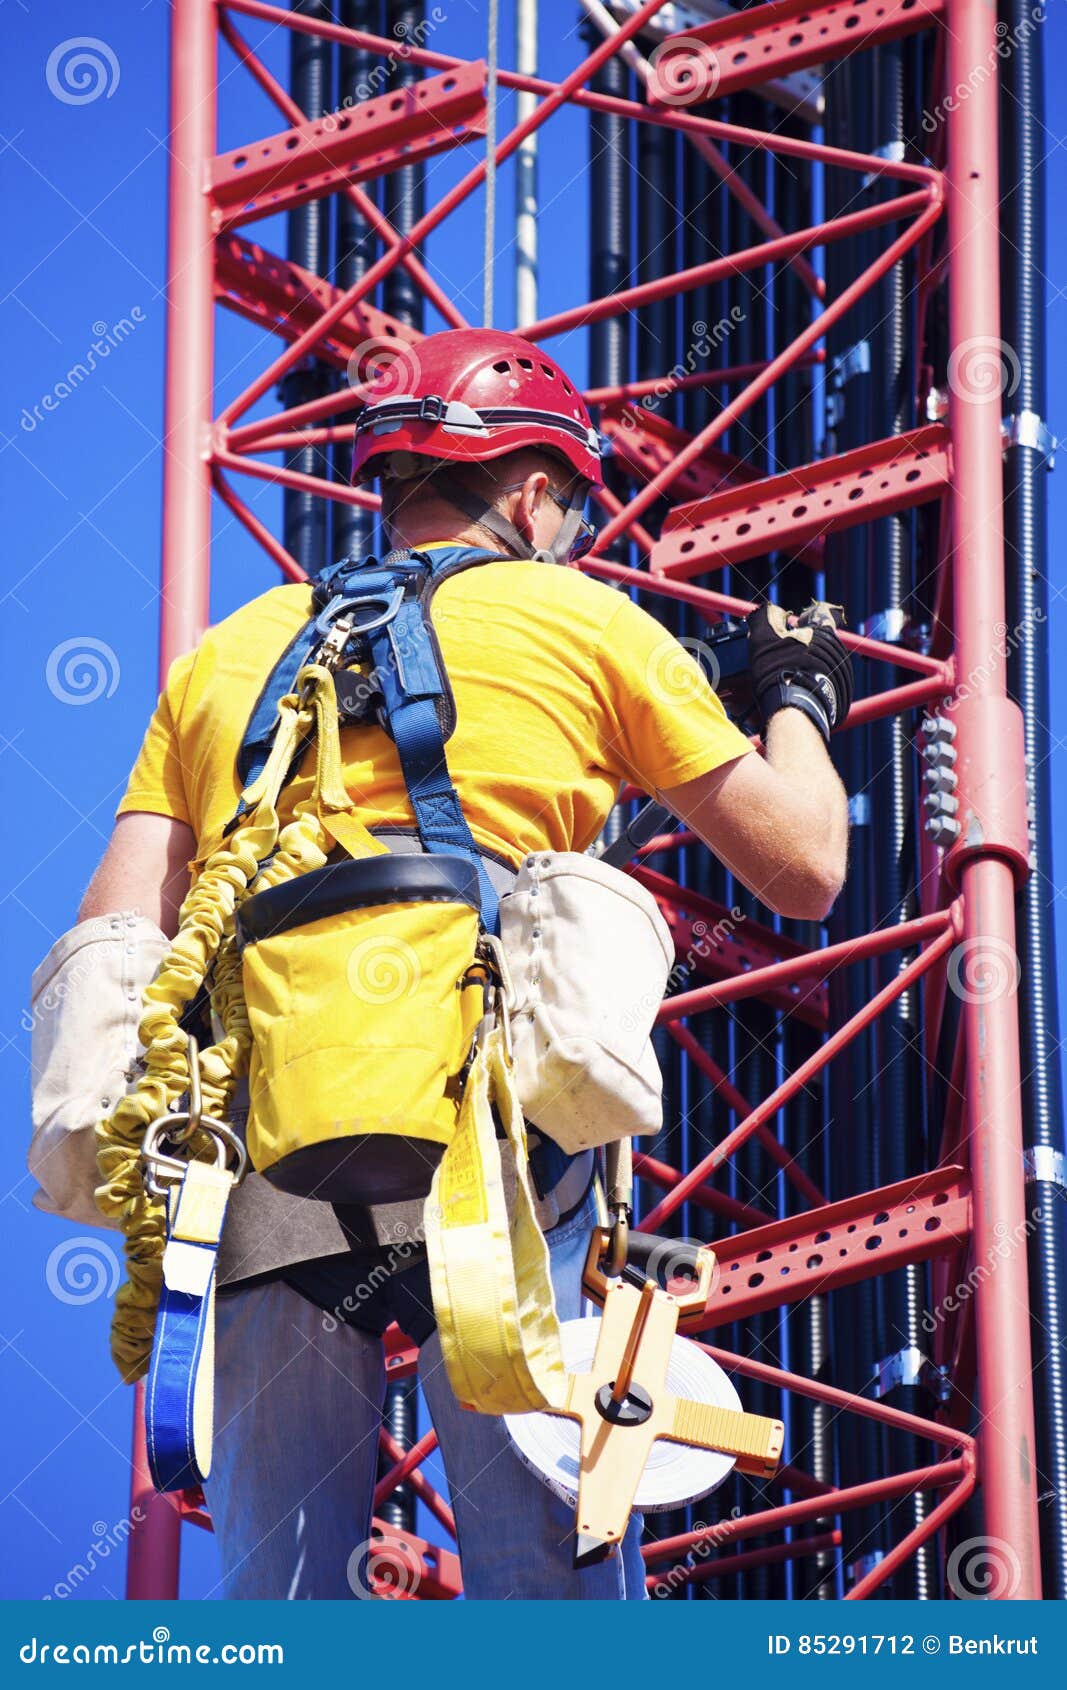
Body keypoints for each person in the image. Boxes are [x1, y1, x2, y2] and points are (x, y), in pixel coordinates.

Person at [68, 329, 851, 1600]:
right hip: (497, 1148)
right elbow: (804, 867)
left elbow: (116, 937)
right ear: (533, 494)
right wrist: (797, 699)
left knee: (281, 1608)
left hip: (270, 1158)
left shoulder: (221, 658)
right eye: (573, 511)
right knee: (555, 1584)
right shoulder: (583, 618)